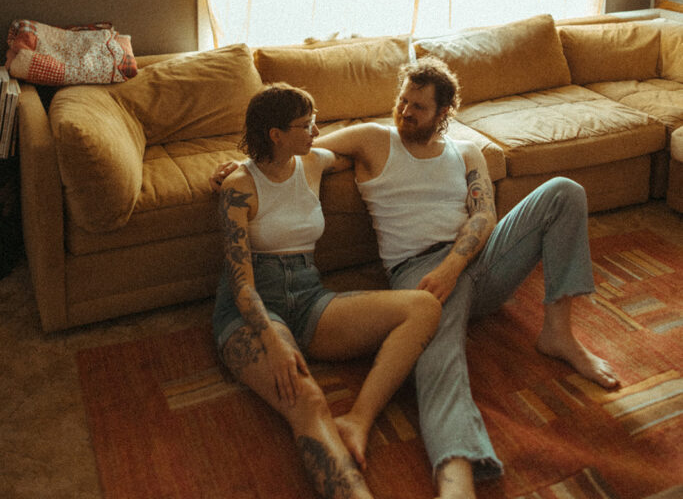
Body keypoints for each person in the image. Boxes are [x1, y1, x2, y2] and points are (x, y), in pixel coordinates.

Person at [212, 57, 620, 499]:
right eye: (402, 100)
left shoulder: (467, 151)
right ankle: (457, 473)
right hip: (417, 269)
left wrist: (453, 268)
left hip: (473, 262)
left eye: (418, 107)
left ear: (443, 113)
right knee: (439, 347)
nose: (405, 111)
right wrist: (238, 169)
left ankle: (558, 333)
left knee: (564, 191)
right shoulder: (373, 138)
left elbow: (484, 215)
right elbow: (294, 147)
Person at [212, 82, 441, 499]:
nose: (316, 132)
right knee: (307, 399)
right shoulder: (239, 188)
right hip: (252, 309)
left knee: (423, 307)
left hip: (309, 298)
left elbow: (360, 147)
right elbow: (241, 284)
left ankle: (359, 419)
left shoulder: (315, 162)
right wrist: (275, 345)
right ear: (276, 135)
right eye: (306, 125)